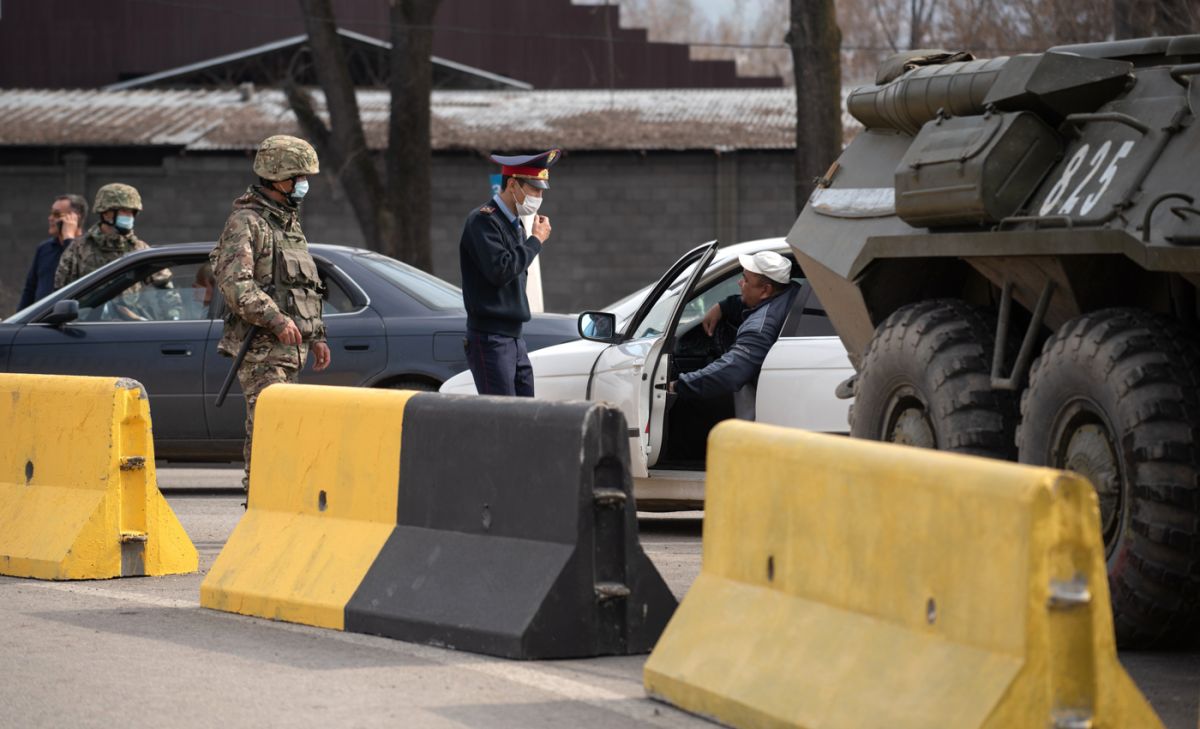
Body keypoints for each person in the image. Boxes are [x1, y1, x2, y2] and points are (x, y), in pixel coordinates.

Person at [210, 134, 331, 497]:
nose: (303, 185)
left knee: (287, 433)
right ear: (277, 177)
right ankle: (260, 503)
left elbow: (305, 287)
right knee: (267, 431)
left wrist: (318, 335)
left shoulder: (288, 225)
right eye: (298, 177)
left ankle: (280, 503)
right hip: (261, 350)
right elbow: (236, 285)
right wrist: (276, 319)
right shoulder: (247, 223)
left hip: (292, 351)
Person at [459, 149, 560, 396]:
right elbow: (502, 270)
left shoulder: (514, 224)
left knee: (523, 417)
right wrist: (535, 240)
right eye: (534, 190)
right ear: (513, 184)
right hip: (490, 337)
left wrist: (530, 239)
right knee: (501, 420)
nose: (539, 197)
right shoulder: (483, 221)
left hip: (514, 338)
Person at [668, 251, 801, 421]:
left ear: (766, 290)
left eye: (746, 280)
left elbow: (731, 371)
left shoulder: (759, 326)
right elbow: (756, 304)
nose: (740, 282)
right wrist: (724, 306)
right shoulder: (791, 292)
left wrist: (679, 385)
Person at [55, 183, 152, 287]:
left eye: (132, 212)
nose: (129, 216)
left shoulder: (140, 250)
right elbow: (62, 292)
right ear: (106, 213)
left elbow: (164, 291)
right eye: (124, 211)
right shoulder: (78, 249)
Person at [19, 194, 88, 309]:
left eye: (56, 214)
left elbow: (78, 272)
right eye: (51, 213)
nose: (50, 218)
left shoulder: (88, 247)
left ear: (75, 217)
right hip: (40, 320)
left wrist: (69, 239)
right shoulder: (44, 248)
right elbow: (30, 289)